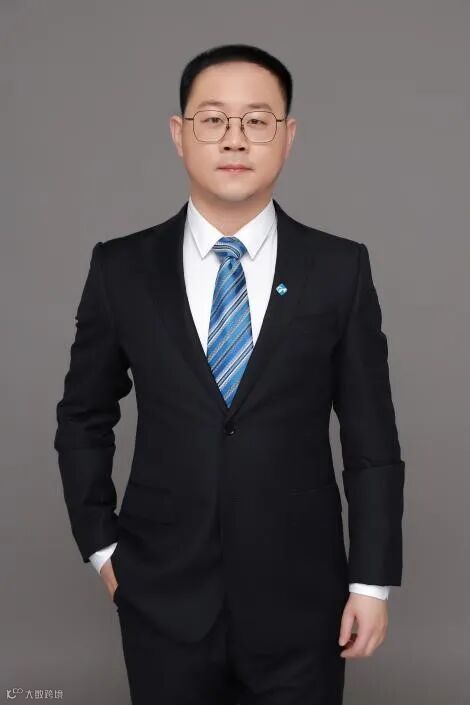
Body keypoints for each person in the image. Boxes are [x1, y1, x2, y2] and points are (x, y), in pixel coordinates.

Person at [54, 43, 405, 705]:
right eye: (213, 119)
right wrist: (101, 548)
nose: (235, 139)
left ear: (288, 136)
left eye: (257, 120)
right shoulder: (122, 268)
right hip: (161, 593)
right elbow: (82, 418)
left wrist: (371, 582)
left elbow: (372, 439)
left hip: (304, 598)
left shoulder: (339, 269)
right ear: (179, 133)